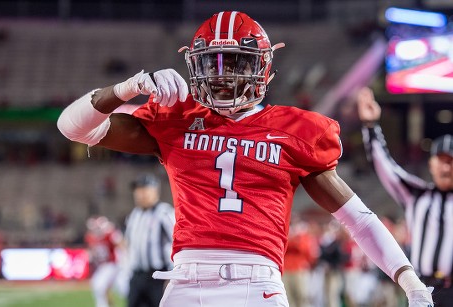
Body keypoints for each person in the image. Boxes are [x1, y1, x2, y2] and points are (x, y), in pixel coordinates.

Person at [57, 11, 433, 307]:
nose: (222, 75)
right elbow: (72, 127)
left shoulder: (295, 130)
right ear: (195, 65)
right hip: (185, 281)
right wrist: (126, 88)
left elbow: (358, 219)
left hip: (257, 284)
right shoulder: (176, 118)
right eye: (212, 63)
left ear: (262, 65)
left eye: (234, 62)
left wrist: (409, 280)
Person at [357, 86, 452, 306]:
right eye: (442, 160)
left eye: (451, 161)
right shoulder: (417, 194)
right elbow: (385, 167)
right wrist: (370, 126)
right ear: (432, 164)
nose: (447, 166)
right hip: (425, 287)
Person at [124, 174, 175, 307]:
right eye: (138, 190)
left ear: (155, 191)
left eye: (144, 189)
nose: (140, 194)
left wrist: (172, 274)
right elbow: (129, 243)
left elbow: (177, 242)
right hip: (137, 276)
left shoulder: (164, 212)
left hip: (158, 276)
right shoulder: (134, 214)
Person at [85, 215, 124, 307]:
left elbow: (121, 245)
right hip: (104, 266)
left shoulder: (110, 234)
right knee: (99, 286)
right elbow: (93, 252)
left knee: (121, 289)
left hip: (113, 265)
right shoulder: (91, 237)